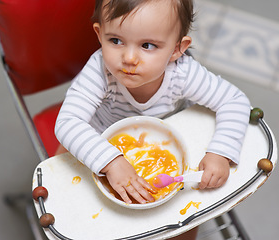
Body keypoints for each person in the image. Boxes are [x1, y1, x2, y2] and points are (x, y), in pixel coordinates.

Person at [55, 0, 250, 238]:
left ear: (177, 49)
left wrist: (220, 152)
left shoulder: (182, 73)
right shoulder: (100, 71)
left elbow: (234, 100)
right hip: (99, 141)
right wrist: (111, 161)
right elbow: (67, 122)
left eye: (147, 45)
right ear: (99, 33)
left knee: (184, 224)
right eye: (115, 40)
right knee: (68, 191)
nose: (128, 58)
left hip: (168, 150)